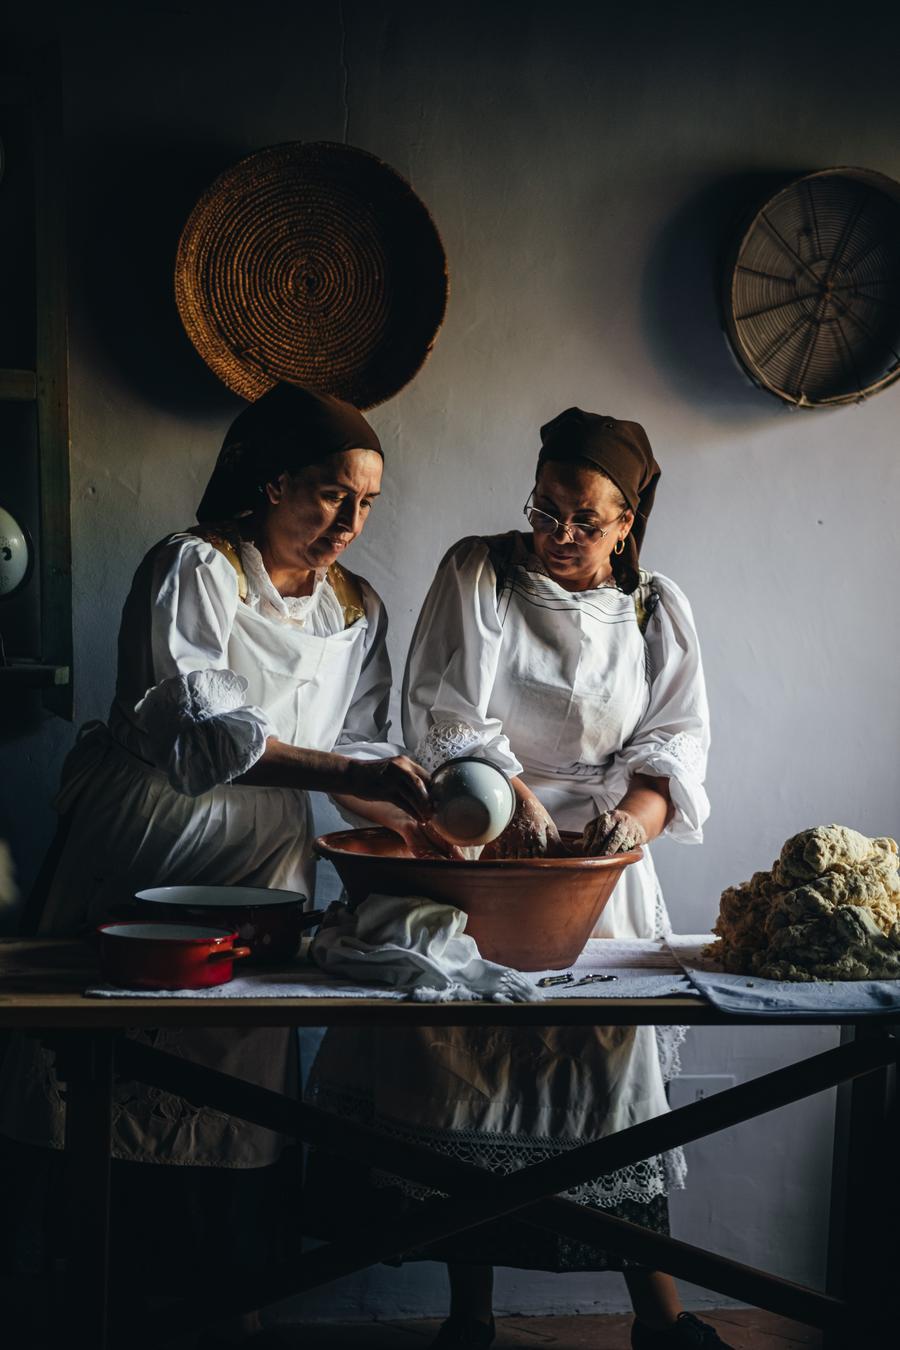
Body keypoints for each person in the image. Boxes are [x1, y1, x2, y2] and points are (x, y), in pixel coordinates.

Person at [0, 383, 434, 1342]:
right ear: (270, 481)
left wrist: (422, 827)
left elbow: (359, 766)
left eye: (365, 504)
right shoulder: (193, 567)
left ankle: (209, 1314)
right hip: (149, 835)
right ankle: (89, 1308)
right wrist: (358, 770)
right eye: (329, 495)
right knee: (102, 1074)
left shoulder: (356, 611)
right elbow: (203, 726)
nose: (349, 524)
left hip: (265, 863)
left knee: (229, 1087)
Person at [308, 410, 724, 1350]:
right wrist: (515, 797)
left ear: (629, 519)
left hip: (602, 881)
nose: (557, 535)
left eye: (583, 519)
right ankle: (471, 1318)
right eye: (545, 507)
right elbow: (444, 715)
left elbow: (673, 750)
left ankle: (661, 1321)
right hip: (483, 848)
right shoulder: (483, 571)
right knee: (468, 1069)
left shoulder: (658, 609)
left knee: (604, 1090)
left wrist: (628, 826)